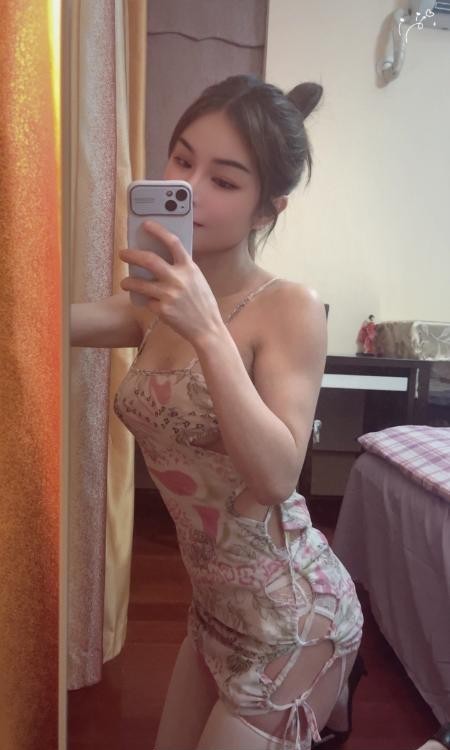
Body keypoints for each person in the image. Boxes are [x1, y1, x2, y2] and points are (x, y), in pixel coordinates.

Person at [71, 75, 365, 750]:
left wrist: (207, 329)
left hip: (295, 616)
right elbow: (44, 322)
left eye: (224, 180)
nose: (190, 187)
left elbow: (276, 476)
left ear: (267, 211)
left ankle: (337, 682)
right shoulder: (151, 305)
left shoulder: (288, 306)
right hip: (212, 611)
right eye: (182, 159)